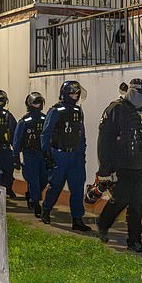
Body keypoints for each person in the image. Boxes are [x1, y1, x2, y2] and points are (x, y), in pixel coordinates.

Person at [95, 79, 142, 252]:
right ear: (132, 93)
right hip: (121, 165)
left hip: (140, 166)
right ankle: (102, 224)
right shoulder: (116, 109)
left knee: (137, 205)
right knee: (120, 200)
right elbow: (104, 142)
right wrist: (105, 169)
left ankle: (134, 240)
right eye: (141, 95)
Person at [40, 80, 91, 231]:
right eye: (72, 93)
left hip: (75, 155)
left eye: (77, 93)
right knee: (55, 186)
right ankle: (46, 209)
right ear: (65, 93)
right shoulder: (55, 111)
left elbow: (81, 134)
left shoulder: (78, 111)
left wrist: (82, 153)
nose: (75, 96)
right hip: (59, 154)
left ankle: (77, 219)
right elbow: (46, 133)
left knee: (77, 187)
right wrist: (47, 154)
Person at [13, 92, 48, 216]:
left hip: (42, 154)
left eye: (39, 102)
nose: (37, 104)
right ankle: (35, 203)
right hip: (29, 153)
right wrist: (15, 156)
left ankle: (31, 194)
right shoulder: (24, 121)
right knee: (33, 180)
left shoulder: (45, 119)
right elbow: (17, 139)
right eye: (35, 102)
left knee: (44, 179)